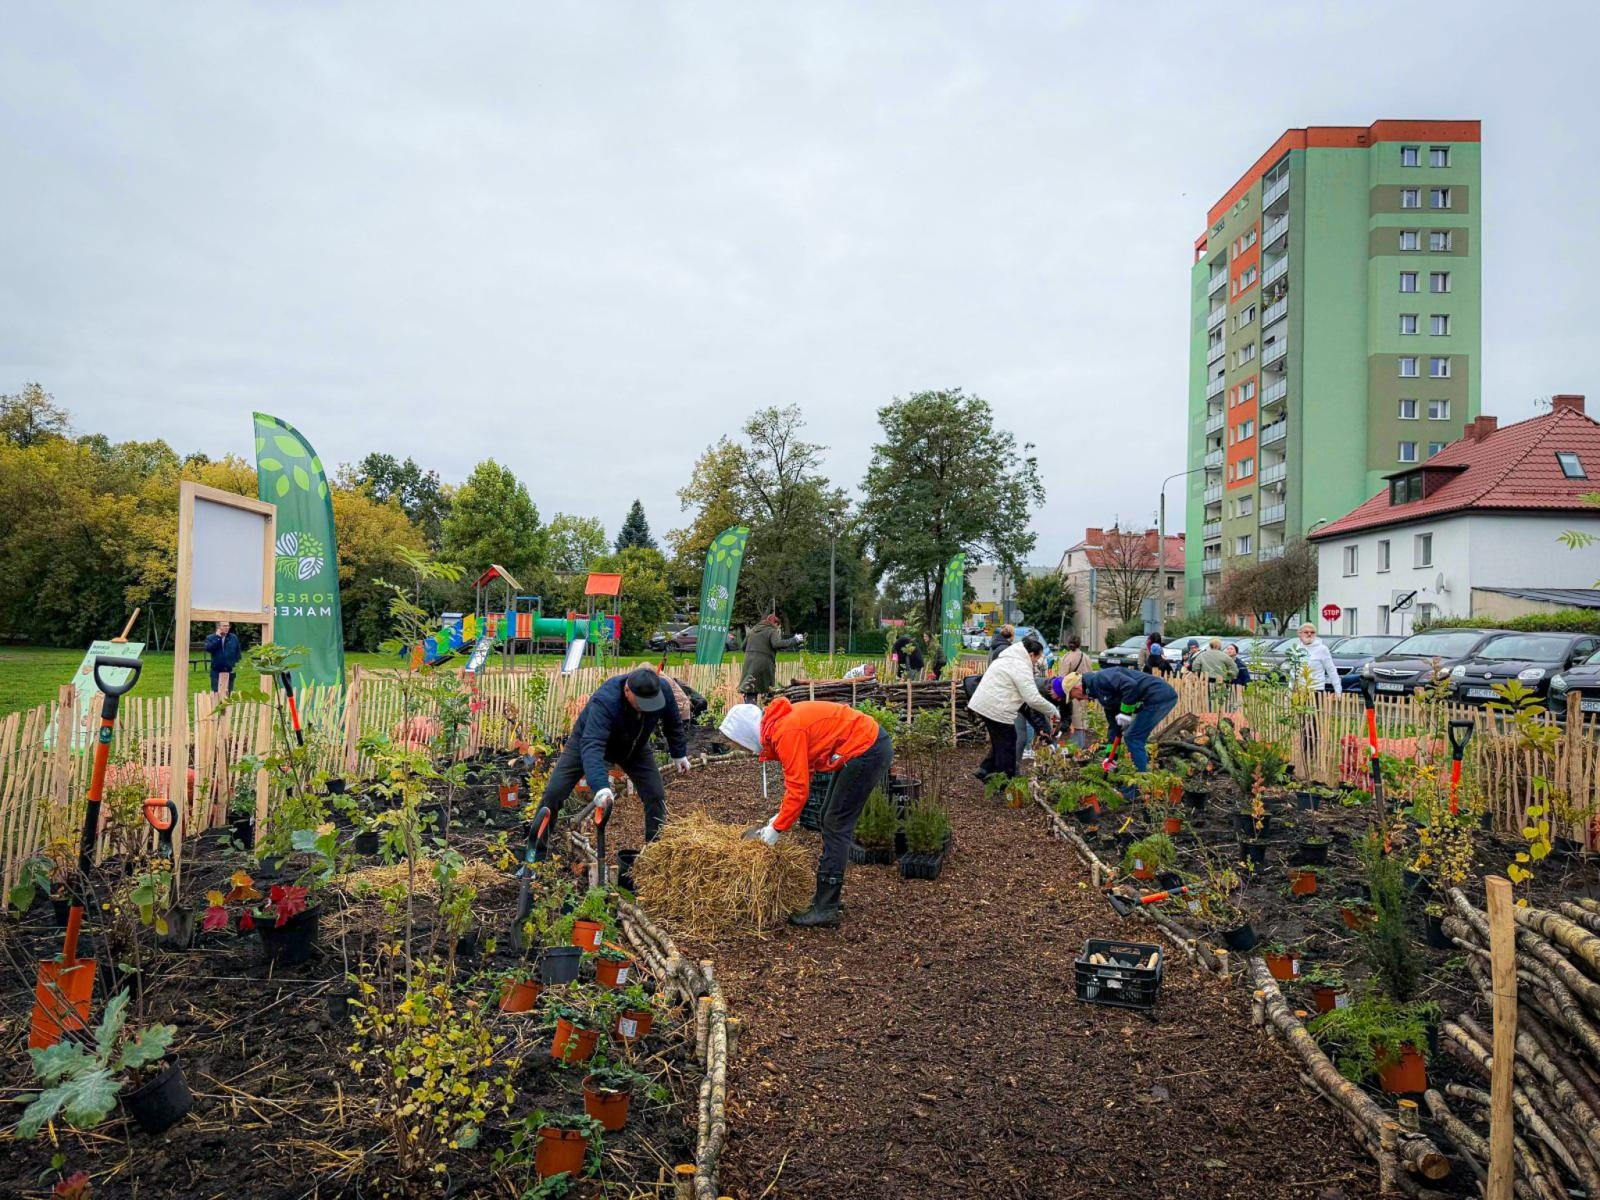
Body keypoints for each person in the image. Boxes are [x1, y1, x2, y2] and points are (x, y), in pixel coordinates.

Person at [720, 697, 893, 928]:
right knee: (828, 818)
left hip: (866, 748)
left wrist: (777, 828)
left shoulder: (785, 731)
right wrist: (780, 816)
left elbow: (798, 790)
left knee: (836, 824)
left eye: (738, 742)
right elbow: (804, 771)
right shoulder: (779, 726)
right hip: (863, 745)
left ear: (745, 732)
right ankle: (827, 900)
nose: (741, 748)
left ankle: (826, 908)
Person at [536, 667, 690, 847]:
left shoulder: (662, 690)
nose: (646, 708)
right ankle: (536, 849)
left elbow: (673, 721)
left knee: (655, 794)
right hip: (587, 743)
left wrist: (679, 753)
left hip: (634, 746)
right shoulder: (606, 700)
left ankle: (654, 849)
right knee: (554, 793)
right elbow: (592, 744)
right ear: (627, 691)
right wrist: (600, 786)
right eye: (641, 703)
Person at [969, 634, 1057, 781]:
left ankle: (984, 770)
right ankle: (1004, 781)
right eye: (1037, 658)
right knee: (1009, 743)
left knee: (1000, 741)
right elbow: (1032, 699)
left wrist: (1040, 726)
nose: (1036, 663)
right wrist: (1054, 711)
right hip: (995, 708)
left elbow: (1025, 704)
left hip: (983, 703)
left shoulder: (1009, 657)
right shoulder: (1021, 666)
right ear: (1030, 654)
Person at [1065, 667, 1179, 772]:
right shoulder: (1101, 696)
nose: (1078, 700)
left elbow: (1130, 685)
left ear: (1077, 687)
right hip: (1149, 700)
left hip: (1159, 695)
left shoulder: (1102, 678)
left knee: (1133, 737)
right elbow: (1114, 728)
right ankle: (1141, 774)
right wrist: (1111, 756)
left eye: (1073, 695)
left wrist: (1125, 712)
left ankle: (1141, 782)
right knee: (1133, 737)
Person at [740, 614, 803, 703]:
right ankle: (767, 713)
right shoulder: (771, 630)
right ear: (776, 624)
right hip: (764, 664)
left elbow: (743, 647)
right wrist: (794, 640)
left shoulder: (753, 630)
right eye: (778, 628)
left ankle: (750, 712)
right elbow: (777, 644)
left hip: (749, 664)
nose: (777, 630)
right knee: (768, 689)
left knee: (750, 689)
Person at [1053, 636, 1094, 749]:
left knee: (1073, 720)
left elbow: (1062, 678)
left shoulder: (1067, 657)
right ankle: (1081, 746)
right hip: (1084, 691)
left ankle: (1074, 747)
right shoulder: (1086, 657)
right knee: (1082, 721)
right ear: (1080, 644)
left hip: (1072, 692)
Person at [1293, 623, 1343, 693]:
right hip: (1300, 689)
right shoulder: (1297, 649)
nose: (1309, 634)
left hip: (1316, 689)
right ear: (1299, 634)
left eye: (1312, 632)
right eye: (1306, 632)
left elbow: (1331, 670)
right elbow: (1293, 671)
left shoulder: (1322, 649)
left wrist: (1338, 690)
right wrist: (1290, 688)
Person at [204, 621, 242, 693]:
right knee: (217, 694)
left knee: (229, 694)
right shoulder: (211, 638)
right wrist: (218, 637)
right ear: (218, 627)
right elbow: (209, 649)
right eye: (224, 626)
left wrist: (235, 665)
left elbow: (238, 653)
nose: (227, 628)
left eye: (228, 626)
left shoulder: (233, 638)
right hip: (216, 671)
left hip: (230, 670)